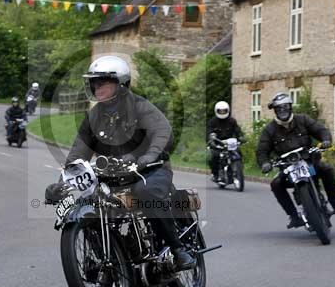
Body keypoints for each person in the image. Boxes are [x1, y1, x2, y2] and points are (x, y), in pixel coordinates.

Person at [45, 55, 196, 272]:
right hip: (112, 177)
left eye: (102, 82)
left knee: (146, 193)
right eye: (94, 83)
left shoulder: (141, 107)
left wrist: (148, 156)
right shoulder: (93, 117)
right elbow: (78, 154)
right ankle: (111, 263)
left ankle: (178, 249)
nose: (97, 88)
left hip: (150, 170)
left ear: (121, 84)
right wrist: (62, 183)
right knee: (88, 203)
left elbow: (163, 132)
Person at [256, 92, 335, 229]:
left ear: (290, 107)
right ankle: (293, 216)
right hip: (287, 168)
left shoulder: (303, 120)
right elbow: (262, 150)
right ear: (275, 110)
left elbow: (320, 129)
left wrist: (325, 140)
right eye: (279, 108)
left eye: (285, 107)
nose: (283, 111)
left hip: (309, 162)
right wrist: (265, 163)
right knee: (276, 184)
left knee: (326, 169)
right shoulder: (269, 130)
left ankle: (334, 200)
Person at [206, 101, 246, 182]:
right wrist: (211, 141)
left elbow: (238, 131)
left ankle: (239, 169)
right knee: (214, 156)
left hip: (230, 143)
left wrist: (241, 137)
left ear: (228, 110)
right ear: (216, 111)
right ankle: (215, 174)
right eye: (220, 111)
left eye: (224, 111)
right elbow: (209, 132)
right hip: (217, 143)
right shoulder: (212, 122)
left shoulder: (232, 121)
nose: (222, 112)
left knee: (238, 152)